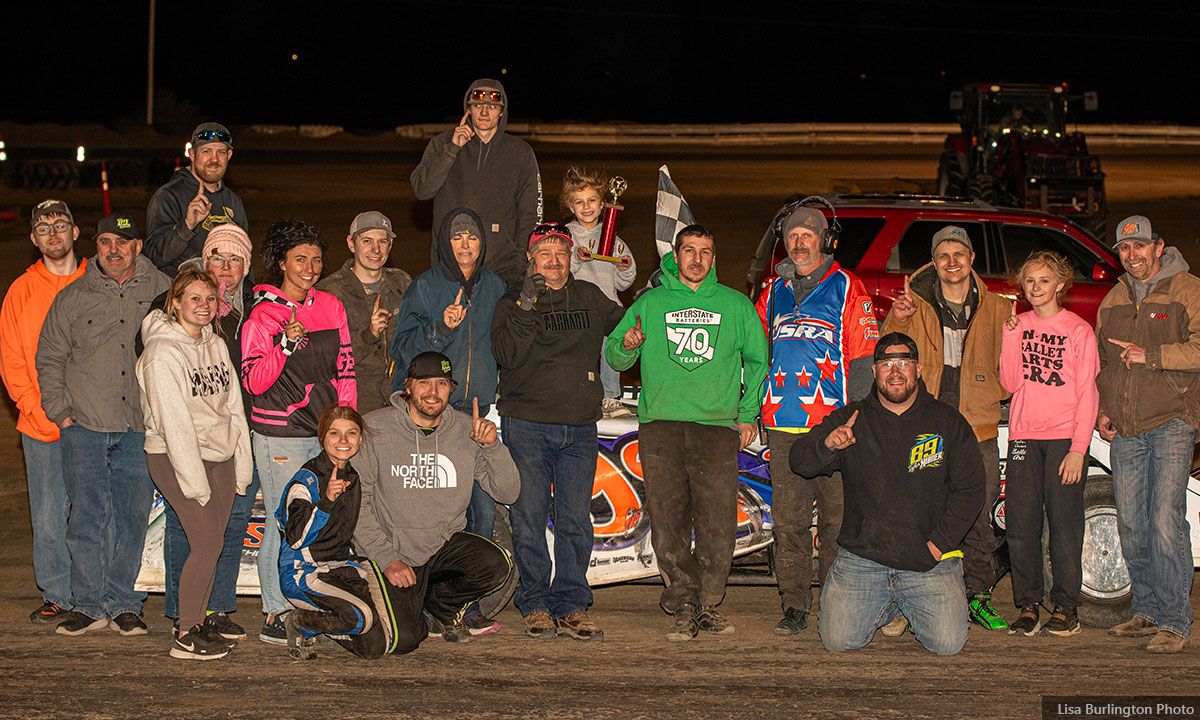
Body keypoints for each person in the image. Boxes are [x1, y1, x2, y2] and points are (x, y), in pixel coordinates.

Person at [606, 224, 768, 642]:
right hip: (661, 426)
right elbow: (615, 356)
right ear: (675, 256)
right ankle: (683, 602)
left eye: (705, 251)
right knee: (668, 520)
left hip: (716, 428)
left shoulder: (735, 305)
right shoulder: (651, 302)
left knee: (717, 522)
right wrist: (628, 343)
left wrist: (747, 413)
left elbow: (758, 360)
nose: (697, 259)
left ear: (714, 259)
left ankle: (707, 603)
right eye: (690, 250)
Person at [792, 333, 985, 655]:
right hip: (863, 558)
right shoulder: (851, 418)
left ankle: (905, 606)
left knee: (947, 644)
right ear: (874, 371)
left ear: (918, 369)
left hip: (927, 558)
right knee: (837, 640)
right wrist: (827, 444)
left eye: (903, 363)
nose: (895, 372)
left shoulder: (948, 421)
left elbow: (971, 490)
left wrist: (938, 545)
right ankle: (892, 608)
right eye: (886, 364)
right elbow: (799, 461)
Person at [36, 214, 171, 636]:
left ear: (138, 246)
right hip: (85, 425)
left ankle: (126, 602)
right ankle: (89, 604)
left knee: (133, 518)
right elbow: (50, 356)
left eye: (123, 242)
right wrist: (61, 412)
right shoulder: (74, 296)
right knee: (86, 518)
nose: (114, 250)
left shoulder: (164, 290)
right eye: (106, 242)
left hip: (139, 426)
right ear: (95, 245)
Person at [492, 223, 625, 641]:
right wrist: (526, 304)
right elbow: (506, 355)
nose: (553, 261)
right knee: (528, 519)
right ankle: (534, 602)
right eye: (544, 253)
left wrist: (657, 291)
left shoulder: (589, 297)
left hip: (580, 427)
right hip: (527, 424)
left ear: (571, 258)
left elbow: (631, 325)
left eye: (561, 253)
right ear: (531, 259)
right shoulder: (511, 301)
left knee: (574, 521)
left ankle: (570, 605)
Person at [755, 204, 878, 635]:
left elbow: (864, 360)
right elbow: (754, 352)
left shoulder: (848, 286)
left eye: (808, 235)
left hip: (834, 427)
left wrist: (855, 419)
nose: (799, 242)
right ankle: (794, 605)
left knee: (836, 523)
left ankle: (834, 603)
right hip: (782, 425)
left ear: (825, 240)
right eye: (792, 236)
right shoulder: (772, 292)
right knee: (789, 523)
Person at [881, 224, 1010, 632]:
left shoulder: (1000, 310)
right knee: (920, 512)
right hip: (928, 426)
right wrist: (896, 318)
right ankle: (909, 602)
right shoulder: (914, 305)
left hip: (978, 428)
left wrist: (997, 392)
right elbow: (888, 357)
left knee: (977, 514)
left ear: (972, 259)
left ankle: (978, 596)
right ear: (933, 263)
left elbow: (1015, 367)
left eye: (959, 254)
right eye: (943, 256)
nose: (952, 262)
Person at [136, 224, 258, 640]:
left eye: (209, 299)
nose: (204, 306)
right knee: (204, 544)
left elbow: (233, 407)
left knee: (215, 544)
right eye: (194, 299)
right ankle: (186, 630)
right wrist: (194, 481)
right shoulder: (162, 353)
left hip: (220, 455)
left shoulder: (216, 344)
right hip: (177, 457)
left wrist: (241, 462)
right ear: (175, 302)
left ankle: (200, 620)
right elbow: (174, 425)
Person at [354, 352, 520, 652]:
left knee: (496, 563)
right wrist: (387, 558)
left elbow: (508, 493)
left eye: (442, 384)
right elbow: (358, 503)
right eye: (424, 382)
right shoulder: (375, 428)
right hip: (392, 552)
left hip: (441, 548)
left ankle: (439, 607)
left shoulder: (466, 430)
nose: (433, 392)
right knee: (404, 640)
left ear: (451, 389)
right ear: (407, 386)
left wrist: (492, 447)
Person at [391, 206, 506, 635]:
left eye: (472, 236)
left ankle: (463, 605)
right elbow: (403, 349)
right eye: (457, 236)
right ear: (445, 242)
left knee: (481, 513)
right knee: (433, 515)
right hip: (437, 417)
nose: (465, 244)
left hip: (478, 414)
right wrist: (441, 328)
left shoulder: (495, 286)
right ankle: (423, 603)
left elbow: (506, 342)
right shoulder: (426, 286)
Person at [241, 218, 356, 644]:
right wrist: (284, 345)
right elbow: (255, 382)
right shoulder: (262, 314)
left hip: (323, 433)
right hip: (281, 434)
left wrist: (346, 421)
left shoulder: (331, 306)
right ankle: (275, 611)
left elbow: (345, 366)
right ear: (282, 263)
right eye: (300, 259)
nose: (310, 268)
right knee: (283, 521)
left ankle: (306, 603)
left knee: (318, 522)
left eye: (316, 259)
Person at [1096, 215, 1200, 653]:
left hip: (1173, 419)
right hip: (1126, 427)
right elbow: (1104, 363)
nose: (1132, 255)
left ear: (1158, 247)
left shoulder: (1188, 290)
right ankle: (1147, 610)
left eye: (1140, 246)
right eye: (1124, 248)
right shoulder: (1112, 300)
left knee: (1163, 519)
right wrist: (1103, 408)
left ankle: (1174, 620)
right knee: (1132, 522)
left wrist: (1151, 356)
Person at [999, 250, 1100, 638]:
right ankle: (1028, 604)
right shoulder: (1018, 325)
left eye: (1044, 280)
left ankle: (1065, 606)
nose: (1036, 287)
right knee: (1021, 524)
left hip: (1064, 439)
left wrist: (1078, 448)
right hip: (1024, 436)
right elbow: (1010, 384)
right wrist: (1011, 337)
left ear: (1060, 284)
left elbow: (1088, 393)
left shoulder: (1078, 330)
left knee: (1064, 526)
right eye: (1029, 281)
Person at [1, 199, 88, 625]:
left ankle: (95, 593)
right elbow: (11, 360)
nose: (53, 233)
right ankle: (57, 592)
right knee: (50, 515)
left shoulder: (97, 279)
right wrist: (37, 411)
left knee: (94, 513)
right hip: (42, 425)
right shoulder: (21, 290)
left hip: (94, 423)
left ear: (75, 232)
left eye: (60, 225)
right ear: (34, 239)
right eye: (43, 228)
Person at [277, 404, 396, 660]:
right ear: (322, 438)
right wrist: (326, 502)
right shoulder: (306, 480)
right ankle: (299, 622)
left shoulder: (353, 477)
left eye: (351, 433)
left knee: (376, 647)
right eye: (334, 433)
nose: (343, 440)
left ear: (360, 439)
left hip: (341, 568)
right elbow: (295, 539)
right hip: (304, 571)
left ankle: (325, 620)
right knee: (360, 618)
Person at [410, 78, 542, 289]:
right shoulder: (443, 143)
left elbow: (531, 213)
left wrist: (520, 265)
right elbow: (421, 189)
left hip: (502, 270)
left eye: (492, 107)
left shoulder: (520, 152)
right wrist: (452, 149)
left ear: (502, 111)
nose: (484, 112)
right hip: (449, 268)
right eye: (478, 105)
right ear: (468, 109)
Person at [318, 211, 412, 414]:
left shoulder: (402, 283)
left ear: (390, 245)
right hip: (353, 405)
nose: (376, 250)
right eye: (367, 241)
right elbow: (323, 358)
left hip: (398, 401)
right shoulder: (330, 292)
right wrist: (368, 336)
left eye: (382, 242)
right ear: (351, 244)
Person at [563, 167, 638, 419]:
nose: (586, 207)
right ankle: (575, 393)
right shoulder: (567, 236)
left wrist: (625, 267)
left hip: (607, 307)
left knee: (610, 347)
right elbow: (560, 272)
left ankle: (610, 396)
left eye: (592, 200)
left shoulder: (612, 238)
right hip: (577, 308)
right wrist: (576, 259)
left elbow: (625, 283)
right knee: (577, 353)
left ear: (602, 203)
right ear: (571, 207)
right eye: (579, 202)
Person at [145, 123, 249, 276]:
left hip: (225, 290)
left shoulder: (234, 201)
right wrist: (187, 227)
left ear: (229, 155)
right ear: (192, 154)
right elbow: (155, 257)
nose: (214, 159)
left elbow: (244, 259)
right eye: (207, 151)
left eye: (221, 152)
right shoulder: (168, 196)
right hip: (182, 289)